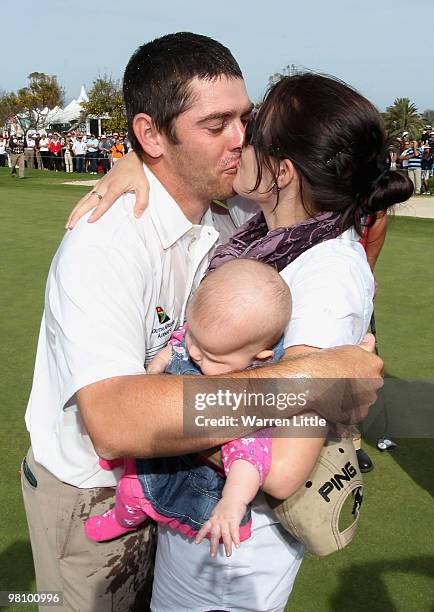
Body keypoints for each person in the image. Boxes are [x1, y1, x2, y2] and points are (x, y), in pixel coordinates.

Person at [58, 35, 394, 611]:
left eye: (251, 128)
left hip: (232, 557)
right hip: (198, 532)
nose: (238, 143)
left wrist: (159, 403)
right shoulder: (261, 222)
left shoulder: (324, 275)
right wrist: (139, 159)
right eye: (228, 125)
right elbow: (187, 171)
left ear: (284, 171)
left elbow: (285, 467)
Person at [85, 259, 326, 558]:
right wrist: (162, 359)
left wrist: (233, 502)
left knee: (134, 489)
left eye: (211, 354)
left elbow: (250, 458)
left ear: (261, 357)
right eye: (194, 337)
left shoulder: (248, 401)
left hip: (181, 467)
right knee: (132, 438)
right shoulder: (211, 338)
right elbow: (180, 342)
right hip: (163, 422)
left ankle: (126, 517)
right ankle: (126, 459)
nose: (195, 352)